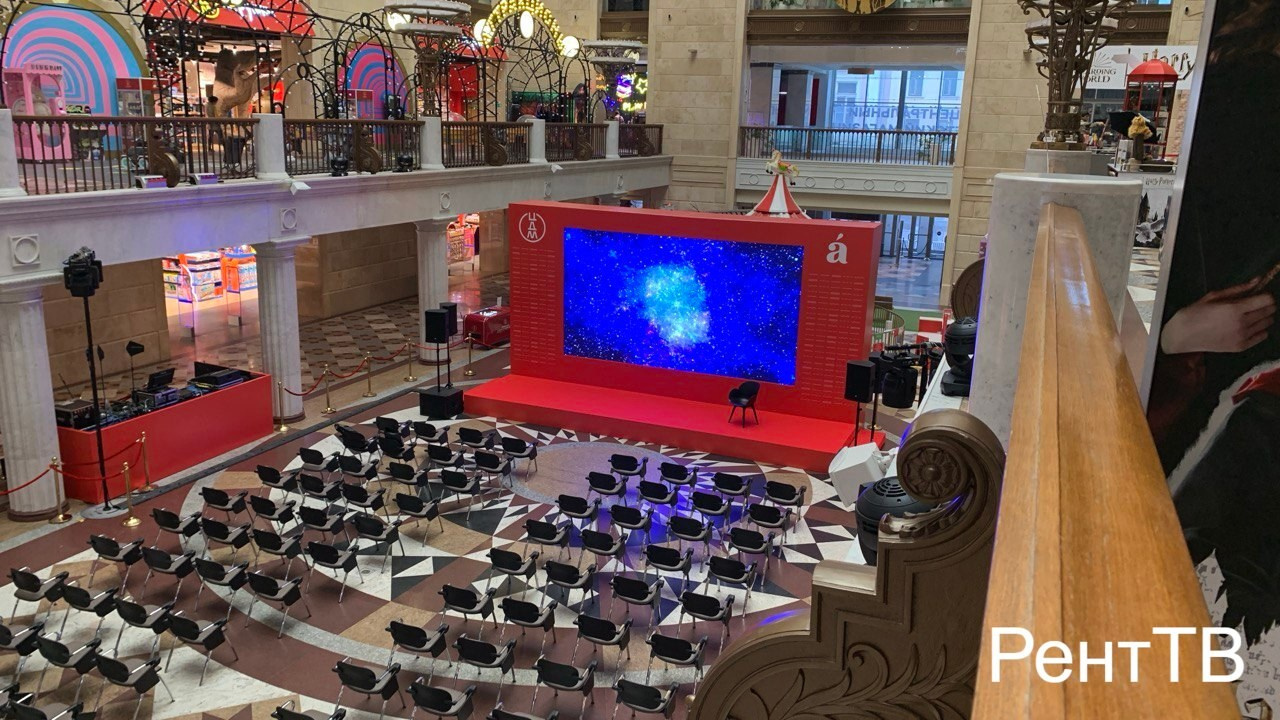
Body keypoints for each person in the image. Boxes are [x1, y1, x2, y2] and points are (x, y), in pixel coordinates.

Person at [1148, 0, 1280, 648]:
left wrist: (1172, 336)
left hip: (1226, 393)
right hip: (1223, 385)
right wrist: (1174, 336)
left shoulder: (1220, 90)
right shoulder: (1219, 88)